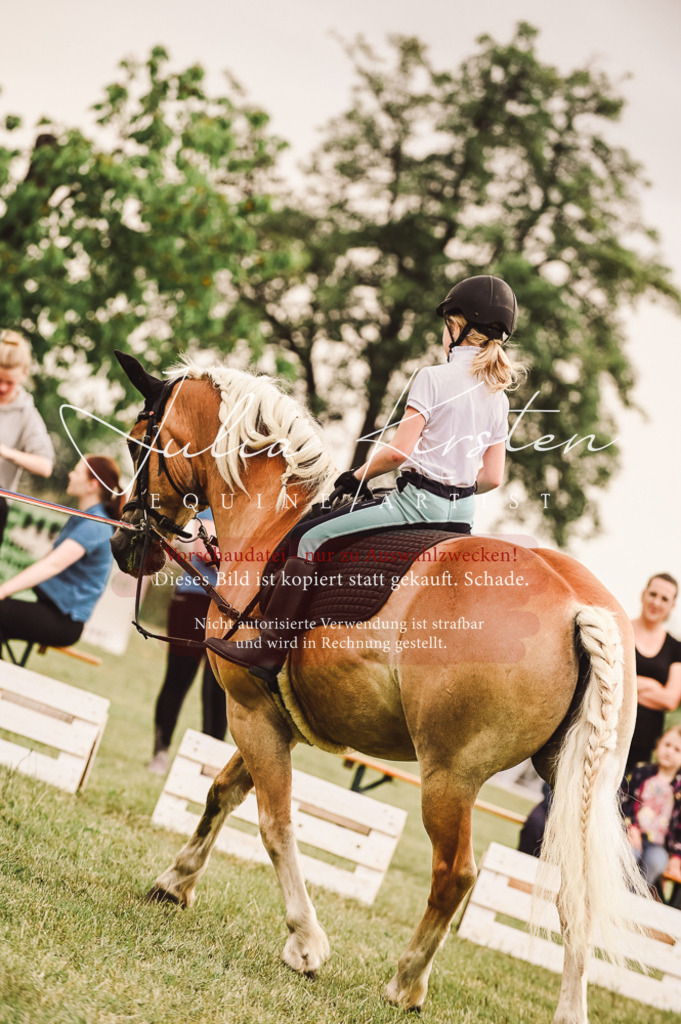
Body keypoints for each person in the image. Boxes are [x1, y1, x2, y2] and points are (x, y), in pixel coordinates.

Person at [207, 274, 524, 681]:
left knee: (308, 538)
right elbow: (493, 477)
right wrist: (455, 485)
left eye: (447, 323)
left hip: (413, 505)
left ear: (459, 325)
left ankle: (270, 650)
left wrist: (354, 476)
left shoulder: (433, 377)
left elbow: (397, 452)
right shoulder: (499, 397)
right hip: (460, 517)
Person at [0, 456, 122, 654]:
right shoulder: (83, 518)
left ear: (92, 485)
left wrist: (3, 591)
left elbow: (52, 565)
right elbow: (48, 561)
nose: (70, 475)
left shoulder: (96, 525)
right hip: (49, 608)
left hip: (64, 621)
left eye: (76, 471)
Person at [148, 512, 227, 775]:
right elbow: (206, 553)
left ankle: (208, 764)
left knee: (217, 690)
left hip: (230, 608)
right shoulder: (211, 508)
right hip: (194, 600)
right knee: (177, 680)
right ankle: (160, 753)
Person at [0, 329, 55, 545]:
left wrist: (5, 451)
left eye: (9, 382)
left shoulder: (27, 415)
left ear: (23, 373)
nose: (2, 387)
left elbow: (45, 466)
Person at [626, 573, 681, 772]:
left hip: (641, 746)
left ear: (672, 605)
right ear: (643, 594)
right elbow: (604, 682)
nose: (656, 602)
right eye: (653, 594)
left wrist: (628, 685)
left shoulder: (676, 649)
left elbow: (670, 700)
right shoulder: (619, 631)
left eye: (664, 598)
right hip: (603, 733)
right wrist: (652, 686)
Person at [621, 724, 681, 892]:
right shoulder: (641, 772)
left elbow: (679, 829)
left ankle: (634, 898)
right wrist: (630, 827)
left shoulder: (679, 789)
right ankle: (614, 892)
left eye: (677, 750)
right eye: (667, 745)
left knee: (656, 861)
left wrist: (676, 857)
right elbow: (623, 800)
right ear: (658, 744)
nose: (669, 751)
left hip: (658, 845)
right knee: (629, 855)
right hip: (631, 833)